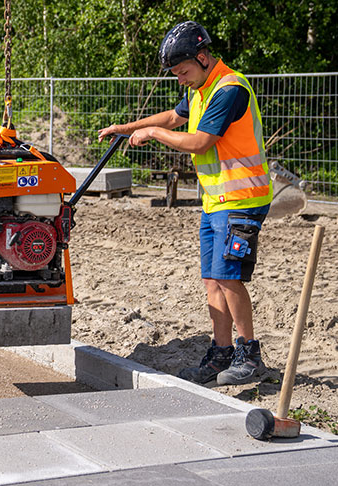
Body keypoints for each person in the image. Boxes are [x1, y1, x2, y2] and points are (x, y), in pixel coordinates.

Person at [98, 21, 273, 385]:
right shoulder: (200, 88)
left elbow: (199, 142)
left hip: (242, 199)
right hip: (216, 201)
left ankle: (250, 354)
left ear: (204, 57)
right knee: (212, 280)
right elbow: (174, 117)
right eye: (176, 74)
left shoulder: (229, 89)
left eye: (183, 71)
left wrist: (154, 134)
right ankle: (221, 354)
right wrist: (128, 128)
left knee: (230, 280)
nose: (180, 79)